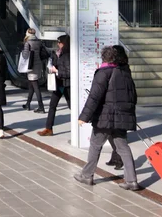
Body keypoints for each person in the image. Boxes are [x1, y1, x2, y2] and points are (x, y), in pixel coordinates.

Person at [74, 46, 140, 191]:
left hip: (105, 117)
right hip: (120, 117)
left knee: (95, 145)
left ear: (103, 58)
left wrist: (84, 117)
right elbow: (133, 96)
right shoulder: (125, 72)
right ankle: (132, 180)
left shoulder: (103, 73)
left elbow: (94, 97)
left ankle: (86, 175)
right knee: (123, 148)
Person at [38, 34, 71, 136]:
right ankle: (49, 128)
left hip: (67, 84)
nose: (58, 44)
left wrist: (57, 70)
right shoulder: (57, 53)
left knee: (72, 106)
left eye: (59, 42)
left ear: (64, 43)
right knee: (52, 105)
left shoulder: (68, 55)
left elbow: (69, 72)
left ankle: (81, 126)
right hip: (58, 83)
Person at [22, 28, 46, 113]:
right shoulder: (39, 41)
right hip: (38, 64)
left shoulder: (27, 43)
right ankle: (28, 104)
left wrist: (22, 53)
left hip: (30, 66)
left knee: (35, 86)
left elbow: (25, 56)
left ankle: (41, 106)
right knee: (31, 85)